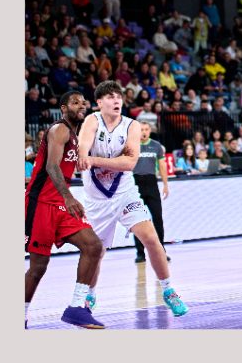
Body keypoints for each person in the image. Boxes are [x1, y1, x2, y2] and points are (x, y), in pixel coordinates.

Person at [76, 81, 188, 317]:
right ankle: (90, 293)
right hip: (97, 201)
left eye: (118, 97)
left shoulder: (132, 126)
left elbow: (129, 163)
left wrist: (95, 161)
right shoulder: (91, 121)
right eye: (110, 97)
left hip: (125, 194)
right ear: (99, 103)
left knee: (151, 237)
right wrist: (88, 156)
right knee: (96, 252)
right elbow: (82, 152)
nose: (116, 101)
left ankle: (169, 291)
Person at [25, 91, 106, 329]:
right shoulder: (59, 129)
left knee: (93, 246)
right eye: (75, 102)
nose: (81, 104)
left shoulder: (75, 135)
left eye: (83, 102)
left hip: (60, 205)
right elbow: (51, 166)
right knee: (38, 267)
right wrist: (69, 197)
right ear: (63, 108)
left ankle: (76, 307)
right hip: (41, 204)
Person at [132, 122, 171, 263]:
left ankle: (161, 251)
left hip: (151, 183)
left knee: (158, 219)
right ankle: (140, 253)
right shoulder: (131, 145)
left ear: (150, 131)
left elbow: (162, 165)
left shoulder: (156, 146)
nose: (144, 132)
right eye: (141, 129)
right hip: (135, 184)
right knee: (137, 220)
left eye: (146, 129)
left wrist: (166, 184)